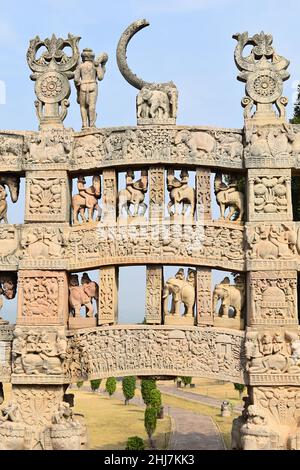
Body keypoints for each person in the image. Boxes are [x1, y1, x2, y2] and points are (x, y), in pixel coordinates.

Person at [74, 48, 108, 128]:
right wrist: (102, 66)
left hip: (83, 86)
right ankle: (92, 124)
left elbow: (76, 79)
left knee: (83, 106)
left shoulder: (80, 66)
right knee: (92, 106)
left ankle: (84, 124)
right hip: (93, 84)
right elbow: (100, 77)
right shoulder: (95, 66)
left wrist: (78, 88)